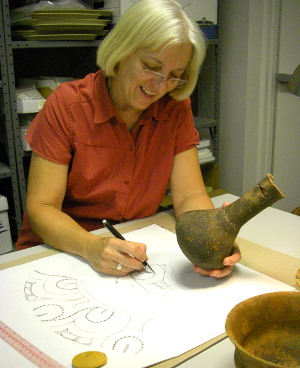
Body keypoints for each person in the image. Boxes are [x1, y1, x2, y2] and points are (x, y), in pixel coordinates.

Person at [16, 0, 241, 278]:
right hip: (60, 249)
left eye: (175, 76)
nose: (160, 86)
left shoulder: (174, 107)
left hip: (131, 247)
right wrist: (91, 246)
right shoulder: (67, 104)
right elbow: (41, 208)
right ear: (121, 52)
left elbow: (189, 194)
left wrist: (210, 237)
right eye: (150, 66)